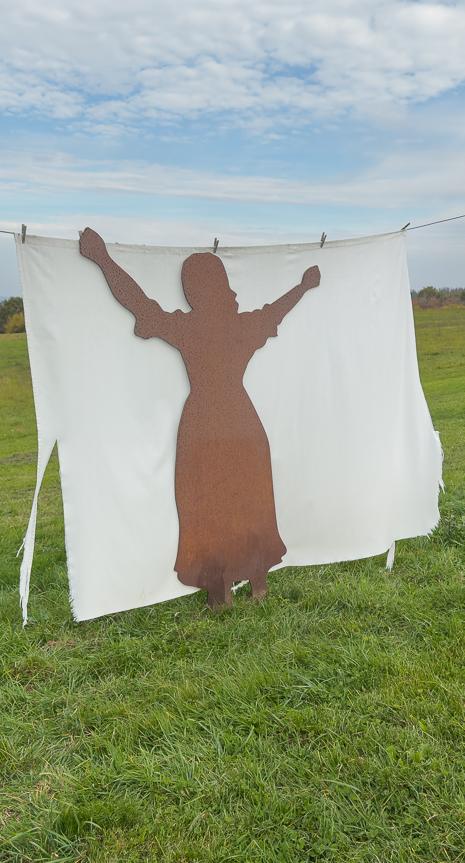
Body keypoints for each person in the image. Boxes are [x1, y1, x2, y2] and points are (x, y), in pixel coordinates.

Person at [79, 228, 320, 606]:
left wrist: (103, 259)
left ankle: (223, 588)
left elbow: (141, 306)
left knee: (211, 501)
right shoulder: (240, 325)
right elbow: (276, 310)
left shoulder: (189, 327)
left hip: (204, 423)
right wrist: (303, 286)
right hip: (241, 421)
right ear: (220, 286)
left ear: (193, 291)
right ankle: (255, 583)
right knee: (241, 500)